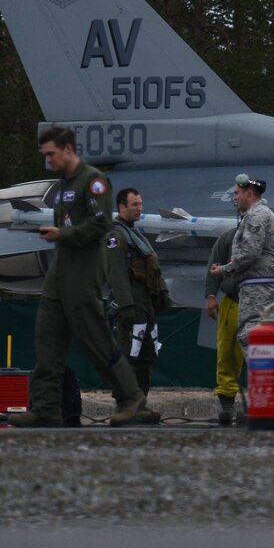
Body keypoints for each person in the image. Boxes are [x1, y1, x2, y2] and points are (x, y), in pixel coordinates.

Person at [11, 127, 158, 427]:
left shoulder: (94, 182)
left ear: (68, 149)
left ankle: (131, 399)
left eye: (51, 154)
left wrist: (63, 233)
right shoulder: (64, 184)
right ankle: (46, 405)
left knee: (96, 338)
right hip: (61, 267)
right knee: (47, 335)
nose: (48, 160)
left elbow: (101, 225)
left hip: (84, 267)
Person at [204, 199, 274, 426]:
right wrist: (211, 296)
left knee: (259, 353)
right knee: (227, 355)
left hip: (259, 302)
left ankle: (257, 401)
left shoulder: (272, 240)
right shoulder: (228, 239)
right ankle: (227, 402)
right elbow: (212, 266)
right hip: (233, 303)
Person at [208, 172, 274, 400]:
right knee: (257, 339)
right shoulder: (259, 214)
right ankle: (267, 395)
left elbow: (250, 252)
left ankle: (266, 395)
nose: (234, 197)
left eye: (237, 193)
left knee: (252, 337)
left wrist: (224, 269)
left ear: (249, 193)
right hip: (260, 289)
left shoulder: (256, 215)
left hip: (258, 290)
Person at [104, 188, 170, 393]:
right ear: (122, 207)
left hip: (145, 307)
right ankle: (126, 405)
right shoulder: (116, 236)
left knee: (146, 355)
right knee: (129, 356)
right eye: (134, 205)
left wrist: (162, 294)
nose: (139, 208)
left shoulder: (134, 233)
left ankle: (140, 404)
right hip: (131, 307)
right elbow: (117, 274)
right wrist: (126, 306)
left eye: (140, 204)